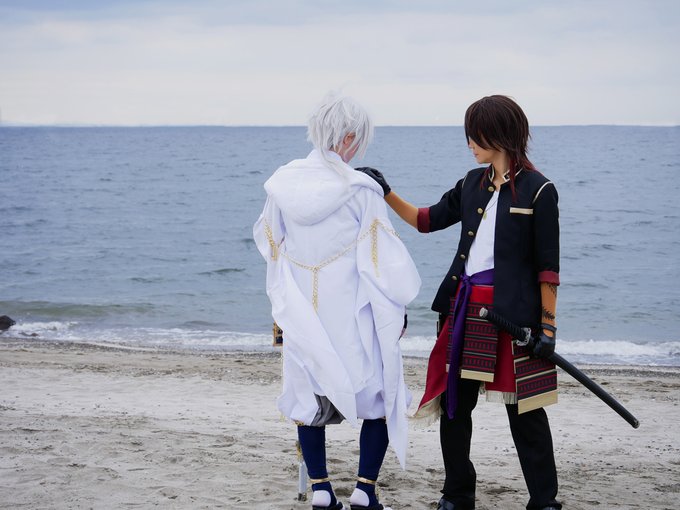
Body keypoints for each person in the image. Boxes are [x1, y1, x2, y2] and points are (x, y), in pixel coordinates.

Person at [358, 95, 562, 510]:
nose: (469, 143)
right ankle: (457, 494)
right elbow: (425, 220)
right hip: (465, 310)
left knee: (526, 413)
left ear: (500, 134)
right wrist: (385, 191)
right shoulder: (472, 183)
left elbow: (548, 270)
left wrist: (547, 329)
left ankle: (544, 501)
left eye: (476, 135)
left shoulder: (540, 191)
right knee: (455, 408)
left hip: (514, 319)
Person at [253, 93, 421, 510]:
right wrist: (397, 310)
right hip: (351, 312)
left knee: (307, 395)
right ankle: (364, 491)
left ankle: (322, 491)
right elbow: (381, 262)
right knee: (379, 394)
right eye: (358, 139)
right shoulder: (362, 190)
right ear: (347, 138)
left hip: (302, 310)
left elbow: (270, 244)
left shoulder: (282, 184)